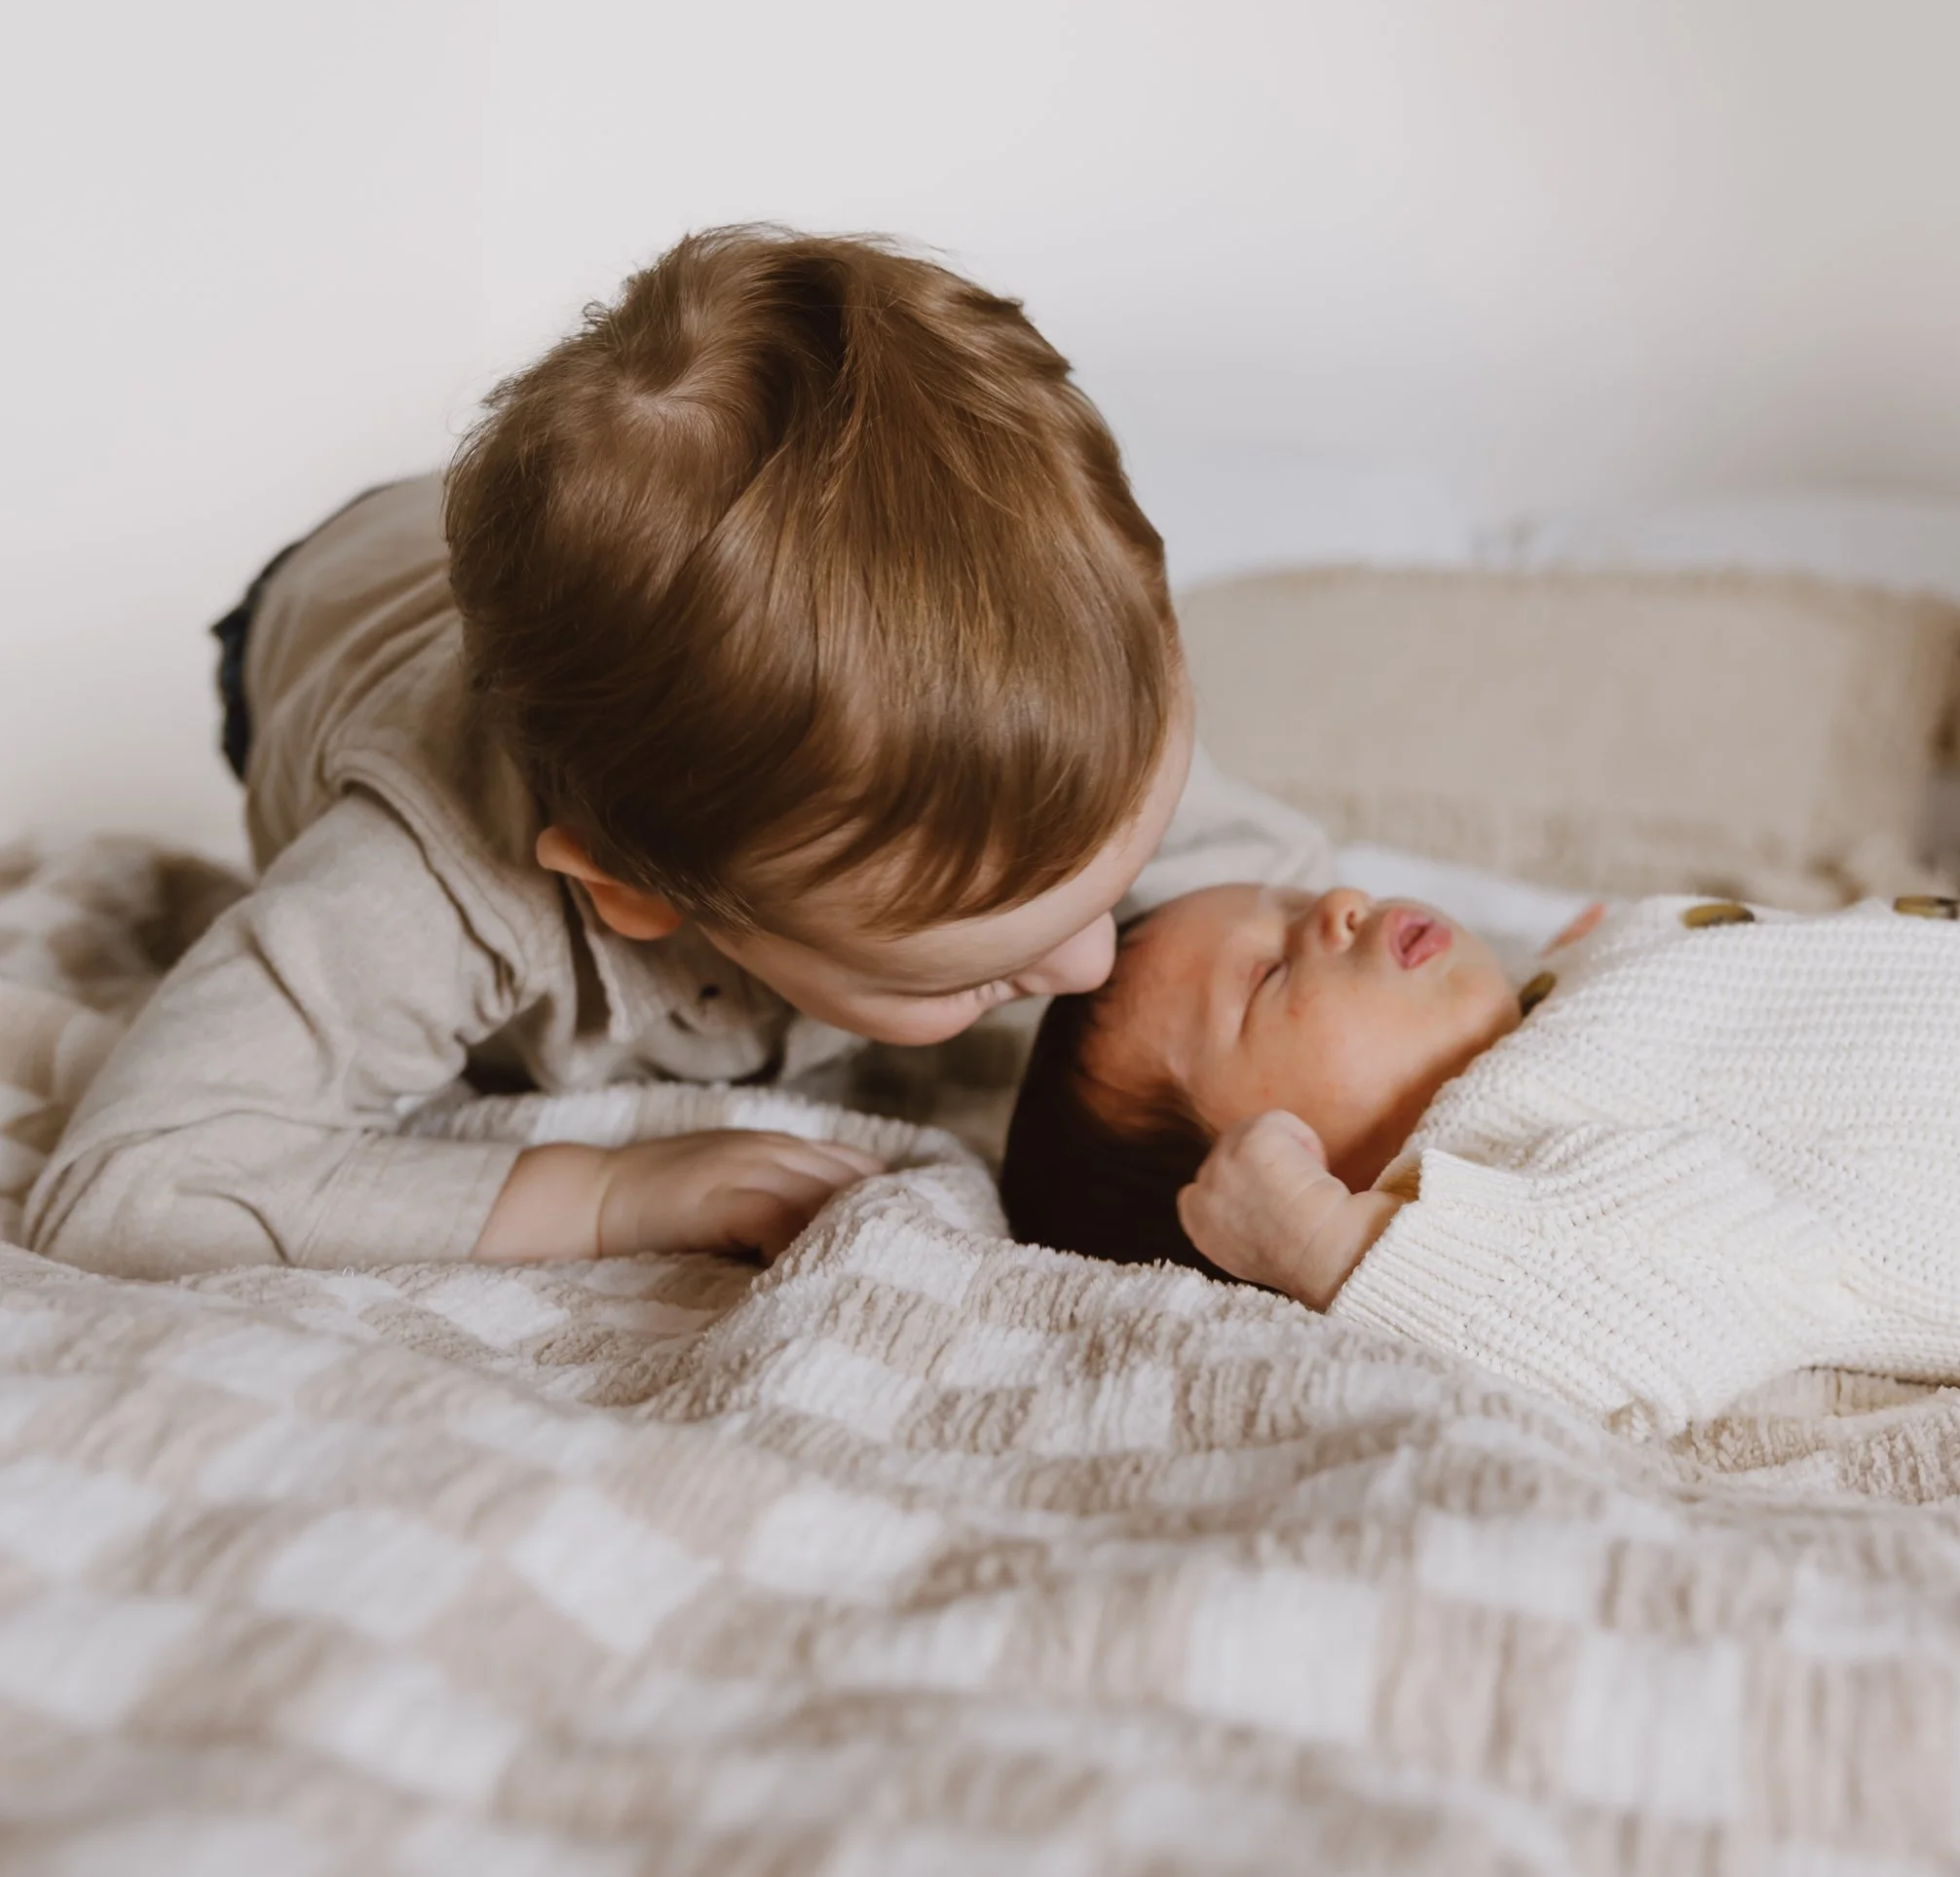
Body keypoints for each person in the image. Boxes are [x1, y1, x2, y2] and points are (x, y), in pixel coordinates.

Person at [28, 229, 1323, 1280]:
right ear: (632, 891)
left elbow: (1289, 894)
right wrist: (599, 1189)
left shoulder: (1054, 732)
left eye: (1126, 866)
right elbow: (131, 1184)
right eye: (972, 966)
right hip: (330, 598)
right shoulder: (424, 878)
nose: (1096, 958)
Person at [999, 845, 1960, 1428]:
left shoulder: (1594, 963)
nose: (1336, 911)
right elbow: (1638, 1308)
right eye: (1267, 977)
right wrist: (1334, 1248)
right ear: (1268, 1167)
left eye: (1292, 893)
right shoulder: (1518, 1164)